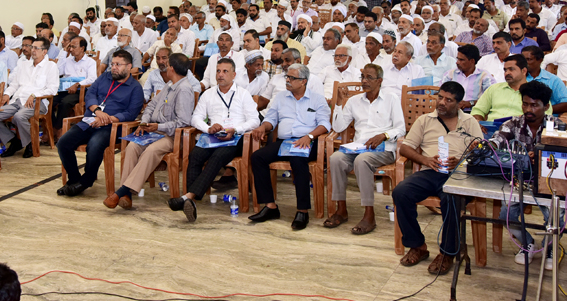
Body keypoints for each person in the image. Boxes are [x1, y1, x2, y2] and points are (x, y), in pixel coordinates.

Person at [392, 81, 483, 274]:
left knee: (451, 198)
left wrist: (461, 161)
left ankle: (447, 253)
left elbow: (482, 153)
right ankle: (417, 245)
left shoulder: (469, 122)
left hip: (459, 175)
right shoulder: (425, 120)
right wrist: (425, 160)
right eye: (440, 97)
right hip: (431, 171)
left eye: (448, 100)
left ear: (459, 103)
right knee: (401, 192)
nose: (441, 102)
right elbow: (406, 148)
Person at [167, 58, 259, 222]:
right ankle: (190, 202)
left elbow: (255, 120)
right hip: (213, 136)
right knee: (195, 156)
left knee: (217, 156)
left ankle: (188, 196)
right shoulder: (208, 94)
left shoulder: (243, 94)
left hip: (235, 138)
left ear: (234, 75)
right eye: (218, 71)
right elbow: (196, 118)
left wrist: (235, 129)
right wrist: (208, 128)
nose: (220, 75)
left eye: (225, 71)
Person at [489, 81, 564, 270]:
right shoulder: (513, 124)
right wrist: (487, 146)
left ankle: (549, 246)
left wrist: (540, 158)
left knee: (557, 217)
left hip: (550, 185)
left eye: (534, 105)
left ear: (546, 106)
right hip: (519, 182)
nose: (529, 109)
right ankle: (527, 243)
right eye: (525, 104)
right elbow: (498, 139)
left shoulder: (557, 127)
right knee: (506, 215)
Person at [105, 53, 194, 210]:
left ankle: (121, 192)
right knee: (132, 147)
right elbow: (151, 105)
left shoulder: (184, 89)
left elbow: (183, 122)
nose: (165, 67)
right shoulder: (170, 84)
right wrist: (144, 123)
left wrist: (158, 127)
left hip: (172, 136)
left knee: (151, 150)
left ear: (172, 69)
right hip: (154, 130)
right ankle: (126, 195)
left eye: (168, 64)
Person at [325, 63, 405, 233]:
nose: (364, 81)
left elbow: (401, 129)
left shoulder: (391, 98)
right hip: (358, 148)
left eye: (369, 77)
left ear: (380, 80)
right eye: (362, 77)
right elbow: (338, 127)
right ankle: (341, 209)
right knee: (335, 158)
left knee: (362, 161)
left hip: (383, 149)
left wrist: (384, 135)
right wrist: (339, 103)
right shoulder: (354, 101)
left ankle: (369, 214)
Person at [250, 64, 331, 230]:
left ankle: (302, 211)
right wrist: (263, 127)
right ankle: (270, 206)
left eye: (292, 78)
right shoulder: (281, 97)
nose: (287, 80)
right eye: (287, 77)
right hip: (284, 142)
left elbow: (325, 124)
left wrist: (309, 137)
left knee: (297, 159)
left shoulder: (317, 99)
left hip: (308, 141)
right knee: (257, 157)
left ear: (303, 81)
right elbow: (271, 120)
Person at [58, 49, 144, 197]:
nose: (114, 67)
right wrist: (97, 111)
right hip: (90, 121)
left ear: (129, 66)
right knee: (63, 143)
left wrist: (107, 119)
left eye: (118, 64)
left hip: (113, 127)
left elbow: (131, 113)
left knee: (94, 144)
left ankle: (86, 181)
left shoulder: (135, 88)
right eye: (112, 64)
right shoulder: (105, 77)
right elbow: (90, 94)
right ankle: (75, 179)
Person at [0, 38, 59, 158]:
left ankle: (30, 143)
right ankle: (15, 141)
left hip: (37, 102)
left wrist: (35, 95)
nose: (33, 50)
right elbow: (14, 84)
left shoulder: (51, 66)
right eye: (32, 47)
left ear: (44, 51)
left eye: (36, 48)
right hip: (18, 99)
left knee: (19, 117)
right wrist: (6, 94)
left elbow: (53, 89)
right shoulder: (23, 65)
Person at [472, 54, 550, 122]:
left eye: (511, 69)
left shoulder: (536, 91)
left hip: (520, 130)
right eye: (505, 70)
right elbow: (477, 111)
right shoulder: (494, 89)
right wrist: (480, 123)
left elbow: (545, 117)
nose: (507, 73)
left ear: (524, 71)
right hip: (491, 129)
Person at [51, 37, 97, 141]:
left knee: (65, 103)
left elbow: (92, 79)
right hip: (65, 89)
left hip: (81, 91)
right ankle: (53, 128)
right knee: (49, 102)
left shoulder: (90, 62)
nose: (71, 49)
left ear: (82, 48)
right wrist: (64, 52)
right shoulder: (68, 60)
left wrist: (78, 84)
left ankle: (58, 129)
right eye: (70, 47)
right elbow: (58, 72)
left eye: (74, 47)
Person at [441, 45, 495, 110]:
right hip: (450, 110)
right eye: (457, 59)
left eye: (461, 60)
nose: (457, 62)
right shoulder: (450, 74)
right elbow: (440, 92)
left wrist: (471, 103)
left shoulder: (484, 76)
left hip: (474, 111)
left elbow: (491, 97)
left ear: (472, 61)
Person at [521, 46, 567, 115]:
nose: (524, 63)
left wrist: (541, 110)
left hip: (547, 119)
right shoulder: (517, 78)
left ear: (540, 60)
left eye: (529, 59)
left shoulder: (553, 80)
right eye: (523, 60)